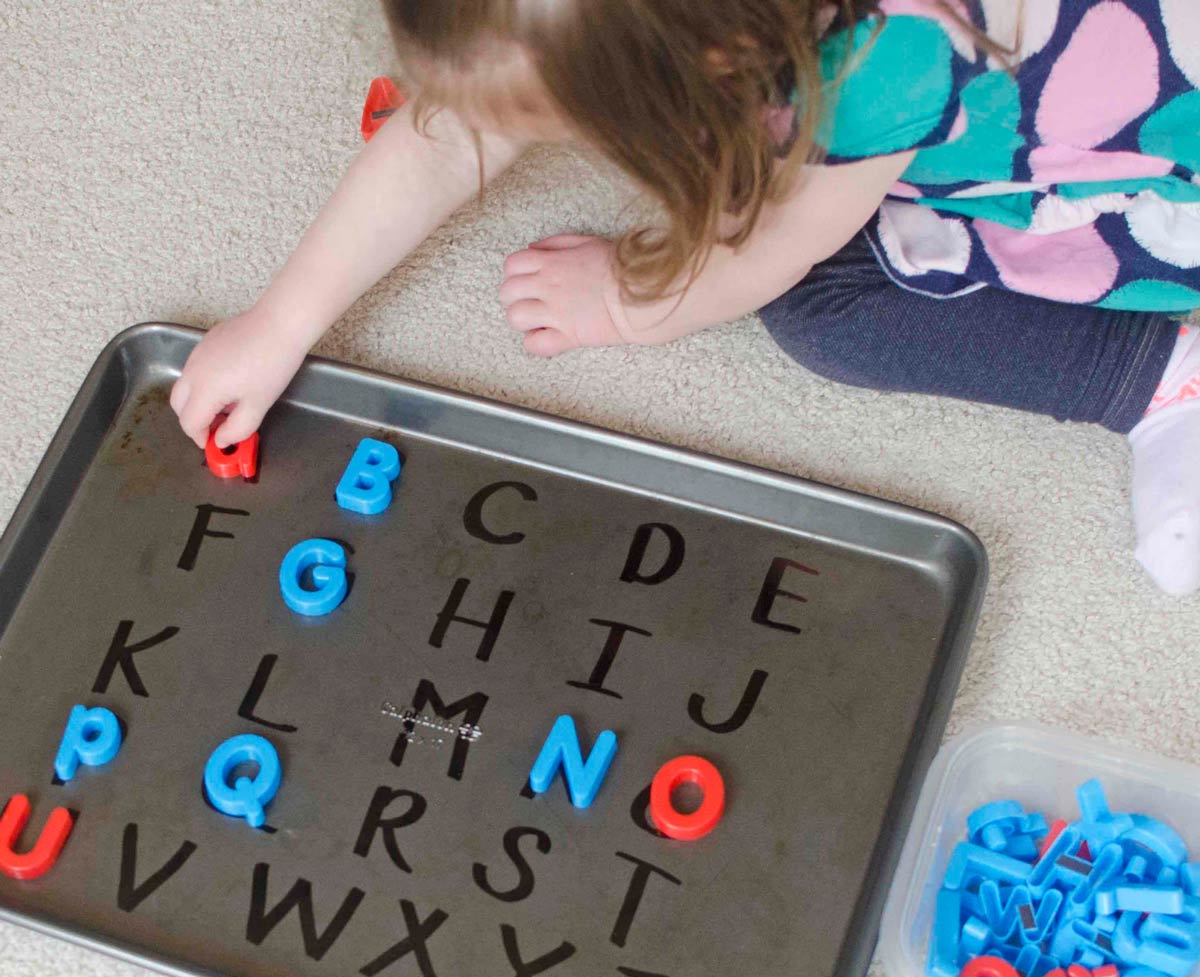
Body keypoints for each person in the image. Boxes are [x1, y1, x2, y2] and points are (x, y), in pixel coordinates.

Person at [170, 1, 1200, 593]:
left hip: (1149, 163)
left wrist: (625, 301)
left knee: (826, 314)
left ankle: (1154, 376)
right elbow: (451, 135)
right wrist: (282, 317)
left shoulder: (885, 57)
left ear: (710, 67)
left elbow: (763, 261)